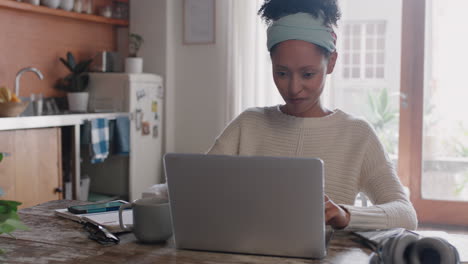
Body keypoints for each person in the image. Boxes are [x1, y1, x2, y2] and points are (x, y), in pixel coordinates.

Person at [153, 0, 417, 230]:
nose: (293, 88)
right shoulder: (248, 124)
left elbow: (405, 214)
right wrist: (147, 198)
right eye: (281, 73)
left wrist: (345, 215)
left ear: (332, 62)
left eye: (308, 74)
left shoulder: (356, 134)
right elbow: (193, 184)